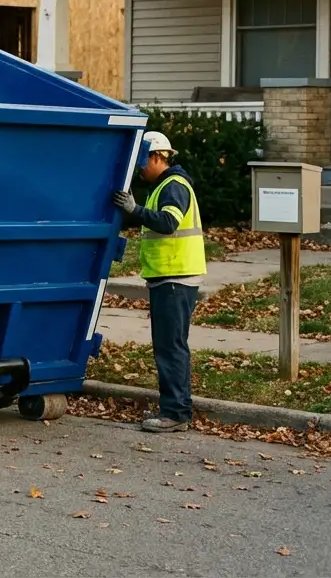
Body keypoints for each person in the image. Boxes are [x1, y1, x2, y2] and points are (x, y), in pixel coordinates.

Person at [112, 130, 206, 433]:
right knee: (170, 345)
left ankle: (175, 413)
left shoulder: (173, 185)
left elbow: (168, 223)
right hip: (171, 277)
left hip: (175, 277)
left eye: (142, 161)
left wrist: (134, 210)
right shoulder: (165, 185)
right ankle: (176, 409)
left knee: (170, 347)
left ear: (156, 157)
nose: (140, 169)